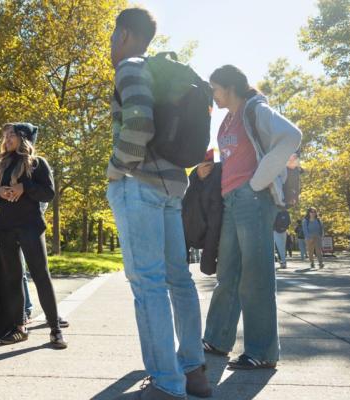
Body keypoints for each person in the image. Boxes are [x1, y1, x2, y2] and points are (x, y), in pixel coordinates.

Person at [107, 8, 210, 399]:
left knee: (147, 284)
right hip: (172, 187)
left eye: (113, 37)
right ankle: (193, 370)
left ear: (123, 34)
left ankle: (167, 385)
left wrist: (116, 169)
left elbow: (139, 126)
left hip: (139, 185)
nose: (111, 45)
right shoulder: (161, 70)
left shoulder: (130, 68)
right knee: (178, 281)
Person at [202, 65, 301, 370]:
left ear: (229, 87)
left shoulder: (255, 109)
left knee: (256, 276)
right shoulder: (226, 121)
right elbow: (236, 159)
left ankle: (262, 352)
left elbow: (291, 136)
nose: (213, 95)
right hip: (232, 200)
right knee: (227, 273)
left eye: (215, 88)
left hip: (254, 199)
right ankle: (217, 339)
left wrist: (258, 181)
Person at [0, 122, 67, 349]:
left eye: (12, 134)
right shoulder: (1, 164)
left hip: (30, 226)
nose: (7, 138)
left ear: (24, 138)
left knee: (41, 275)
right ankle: (18, 328)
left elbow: (48, 193)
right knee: (13, 278)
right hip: (4, 227)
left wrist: (24, 187)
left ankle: (55, 330)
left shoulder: (37, 163)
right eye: (5, 134)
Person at [182, 149, 224, 276]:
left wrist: (208, 258)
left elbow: (215, 221)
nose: (206, 167)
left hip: (203, 233)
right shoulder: (193, 178)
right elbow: (184, 212)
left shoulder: (215, 179)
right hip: (189, 232)